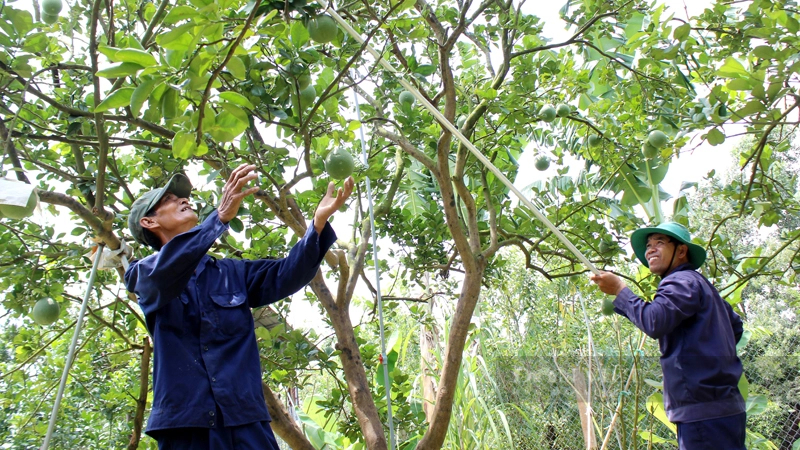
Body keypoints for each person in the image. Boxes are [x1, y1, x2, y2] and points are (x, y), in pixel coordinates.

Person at [124, 164, 354, 449]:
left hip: (244, 419)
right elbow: (164, 273)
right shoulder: (143, 274)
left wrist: (317, 225)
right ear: (149, 222)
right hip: (185, 425)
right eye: (168, 200)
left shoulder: (232, 272)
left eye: (180, 196)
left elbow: (287, 273)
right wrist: (218, 218)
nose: (182, 199)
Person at [590, 222, 746, 450]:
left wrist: (620, 290)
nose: (650, 249)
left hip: (702, 410)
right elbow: (736, 327)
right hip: (724, 407)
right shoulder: (701, 285)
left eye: (659, 243)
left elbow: (654, 321)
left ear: (681, 251)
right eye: (649, 245)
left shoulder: (680, 281)